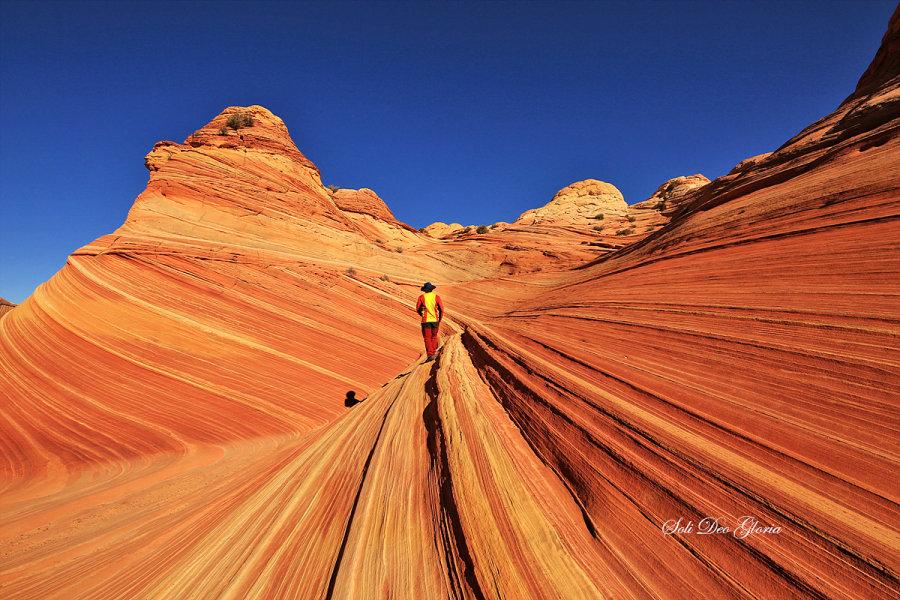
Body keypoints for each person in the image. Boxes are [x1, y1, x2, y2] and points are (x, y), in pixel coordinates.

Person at [416, 282, 444, 361]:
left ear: (425, 290)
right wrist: (439, 319)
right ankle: (433, 353)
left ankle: (431, 355)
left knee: (427, 338)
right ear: (431, 289)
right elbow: (441, 309)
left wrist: (422, 315)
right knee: (434, 337)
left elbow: (418, 309)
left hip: (425, 321)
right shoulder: (436, 297)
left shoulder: (421, 297)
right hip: (435, 320)